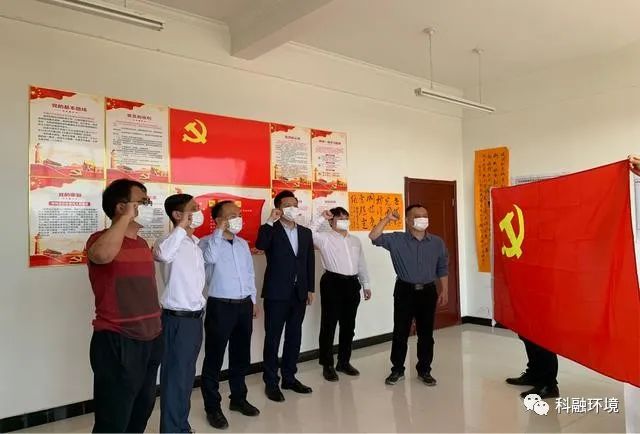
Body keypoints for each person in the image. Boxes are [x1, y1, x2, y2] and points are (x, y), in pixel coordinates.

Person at [85, 179, 162, 433]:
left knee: (142, 409)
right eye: (143, 202)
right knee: (114, 418)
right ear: (121, 207)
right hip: (118, 340)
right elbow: (102, 256)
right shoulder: (99, 240)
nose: (148, 206)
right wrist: (125, 218)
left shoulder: (142, 243)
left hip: (151, 338)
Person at [369, 204, 448, 386]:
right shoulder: (397, 239)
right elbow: (374, 236)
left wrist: (445, 289)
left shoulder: (437, 242)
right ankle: (397, 369)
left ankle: (424, 370)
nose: (423, 219)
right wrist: (387, 219)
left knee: (426, 333)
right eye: (418, 216)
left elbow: (442, 267)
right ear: (408, 220)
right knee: (400, 332)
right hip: (405, 290)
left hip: (428, 291)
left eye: (425, 215)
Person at [199, 201, 260, 429]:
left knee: (240, 355)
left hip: (244, 305)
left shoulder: (242, 244)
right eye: (231, 215)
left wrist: (253, 300)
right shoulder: (206, 242)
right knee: (214, 358)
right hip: (220, 306)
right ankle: (212, 407)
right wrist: (218, 232)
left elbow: (249, 273)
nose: (238, 218)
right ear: (218, 220)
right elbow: (210, 259)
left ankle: (238, 399)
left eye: (239, 214)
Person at [153, 194, 206, 433]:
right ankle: (172, 430)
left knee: (185, 377)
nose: (199, 211)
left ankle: (180, 426)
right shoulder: (168, 241)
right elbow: (162, 255)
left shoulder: (194, 243)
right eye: (193, 208)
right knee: (175, 378)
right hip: (177, 319)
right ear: (177, 214)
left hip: (195, 318)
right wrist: (182, 227)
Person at [256, 190, 315, 402]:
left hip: (299, 292)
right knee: (273, 338)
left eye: (295, 204)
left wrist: (310, 289)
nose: (292, 208)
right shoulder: (270, 229)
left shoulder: (305, 232)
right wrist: (270, 221)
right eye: (287, 205)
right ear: (279, 208)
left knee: (294, 336)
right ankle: (271, 382)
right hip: (276, 293)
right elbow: (260, 245)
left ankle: (289, 377)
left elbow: (309, 262)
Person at [310, 207, 372, 382]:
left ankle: (344, 362)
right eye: (340, 218)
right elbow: (308, 233)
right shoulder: (324, 238)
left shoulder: (355, 240)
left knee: (348, 326)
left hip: (352, 283)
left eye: (346, 217)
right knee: (329, 325)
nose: (344, 221)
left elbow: (361, 263)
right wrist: (321, 217)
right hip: (332, 282)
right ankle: (327, 365)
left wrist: (365, 284)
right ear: (331, 222)